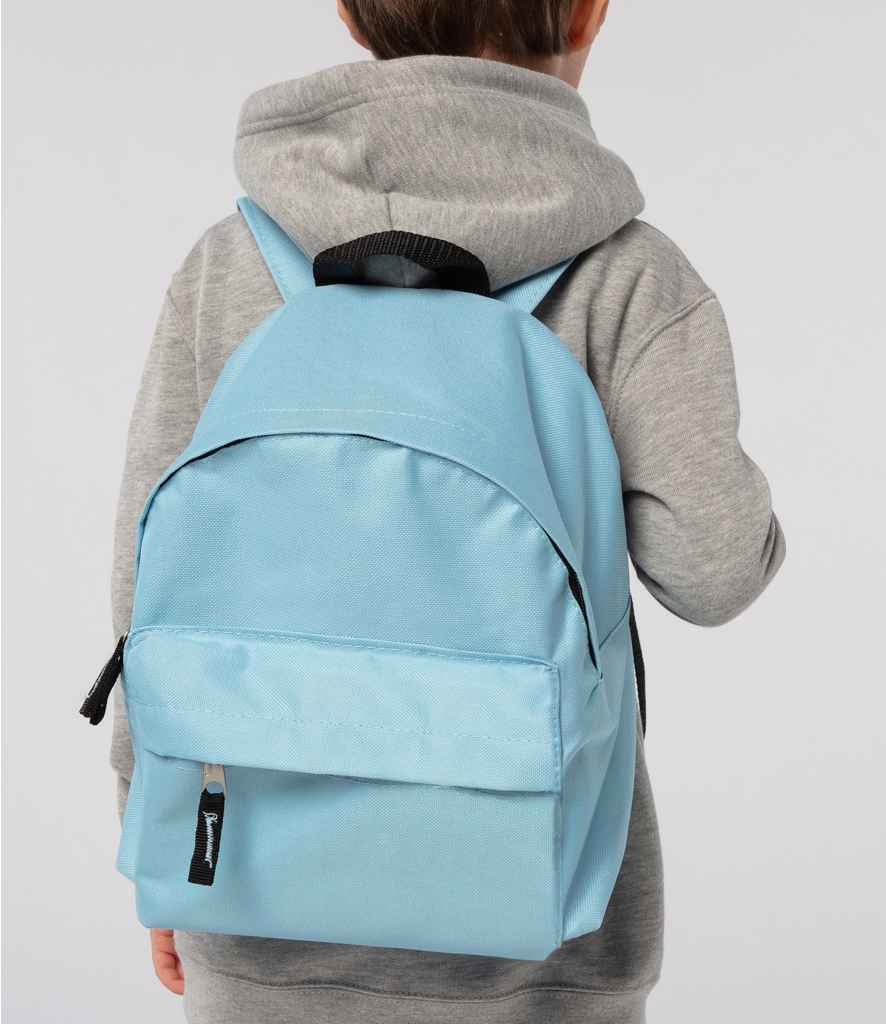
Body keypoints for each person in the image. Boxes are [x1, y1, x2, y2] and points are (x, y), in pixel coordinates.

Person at [110, 1, 785, 1021]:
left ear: (351, 12)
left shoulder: (230, 261)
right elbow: (715, 569)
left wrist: (151, 829)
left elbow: (146, 587)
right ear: (590, 9)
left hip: (245, 894)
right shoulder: (628, 273)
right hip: (545, 929)